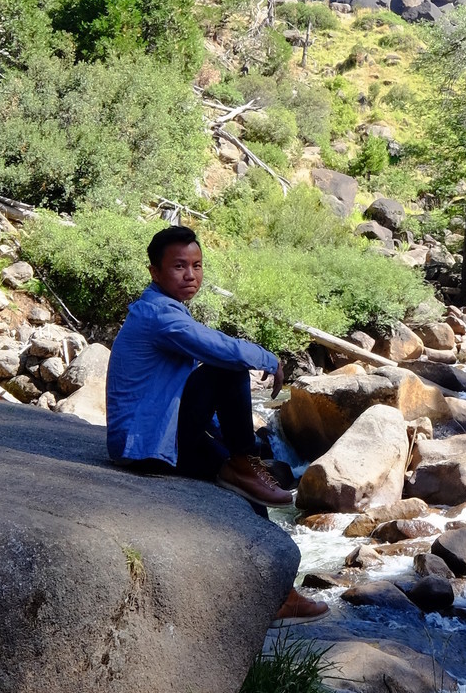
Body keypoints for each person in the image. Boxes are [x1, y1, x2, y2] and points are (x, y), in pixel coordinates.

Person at [106, 224, 327, 620]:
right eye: (178, 266)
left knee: (249, 490)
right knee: (227, 369)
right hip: (146, 445)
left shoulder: (165, 309)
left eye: (197, 265)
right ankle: (243, 462)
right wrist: (266, 357)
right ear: (155, 272)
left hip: (157, 436)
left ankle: (280, 593)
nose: (190, 275)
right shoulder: (158, 314)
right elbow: (213, 346)